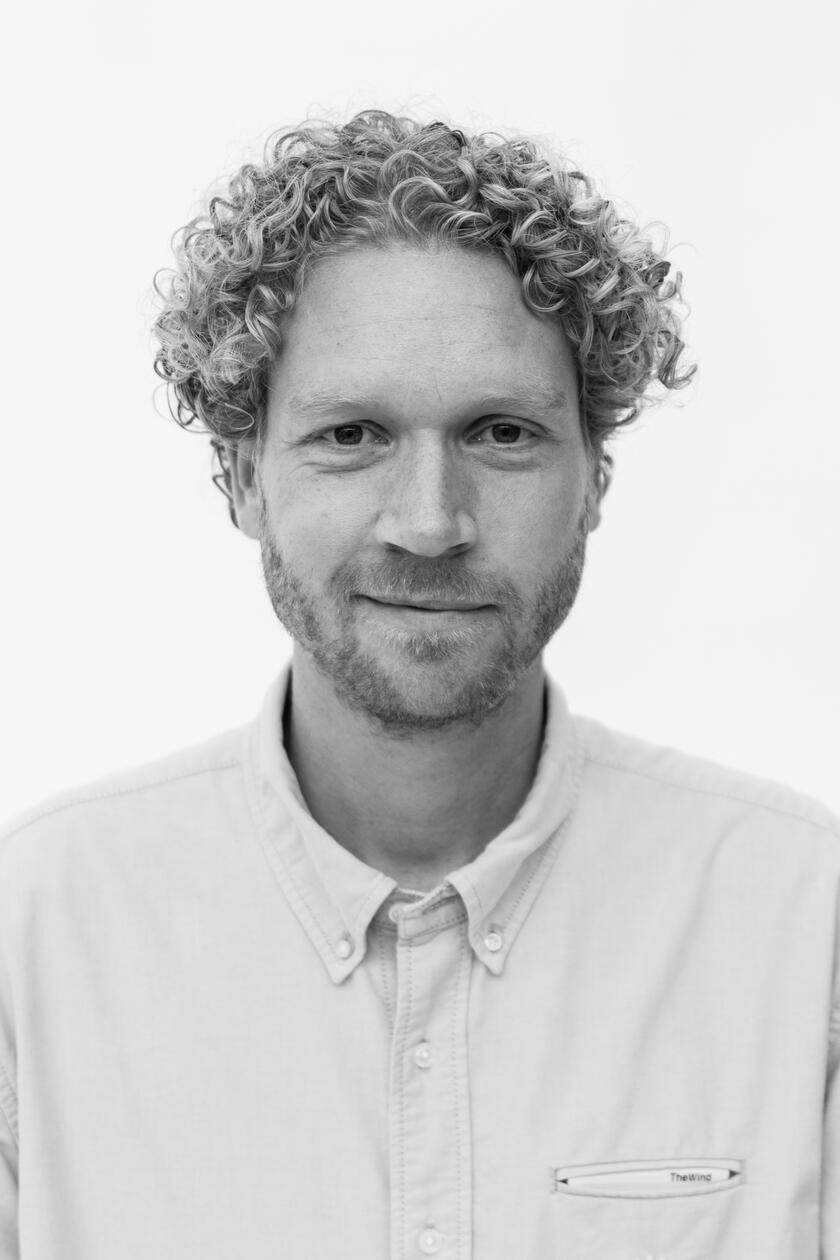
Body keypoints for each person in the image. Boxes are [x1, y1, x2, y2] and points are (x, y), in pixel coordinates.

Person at [0, 109, 837, 1260]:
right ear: (242, 478)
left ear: (596, 475)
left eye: (501, 433)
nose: (431, 523)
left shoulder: (804, 928)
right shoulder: (34, 937)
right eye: (353, 435)